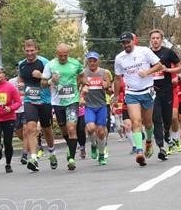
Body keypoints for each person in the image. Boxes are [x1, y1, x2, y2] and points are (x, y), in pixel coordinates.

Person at [114, 32, 164, 166]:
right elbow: (118, 78)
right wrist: (115, 95)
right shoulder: (119, 58)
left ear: (133, 41)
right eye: (123, 43)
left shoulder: (144, 51)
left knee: (148, 123)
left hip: (147, 91)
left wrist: (147, 72)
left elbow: (159, 65)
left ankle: (148, 141)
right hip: (131, 93)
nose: (126, 45)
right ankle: (139, 152)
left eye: (128, 42)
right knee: (136, 121)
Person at [43, 43, 84, 171]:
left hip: (72, 100)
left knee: (72, 128)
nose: (63, 58)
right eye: (60, 56)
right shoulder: (50, 65)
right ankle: (71, 145)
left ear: (68, 54)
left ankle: (71, 159)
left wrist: (81, 87)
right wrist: (51, 81)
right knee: (65, 130)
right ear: (56, 54)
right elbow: (43, 83)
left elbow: (82, 76)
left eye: (65, 56)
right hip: (57, 102)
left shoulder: (75, 63)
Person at [16, 39, 54, 171]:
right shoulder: (22, 64)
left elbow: (53, 80)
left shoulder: (45, 62)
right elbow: (21, 79)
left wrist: (41, 76)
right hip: (29, 100)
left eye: (32, 50)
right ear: (24, 50)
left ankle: (51, 151)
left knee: (47, 129)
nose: (29, 53)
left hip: (44, 100)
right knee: (30, 128)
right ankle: (33, 158)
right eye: (27, 51)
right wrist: (20, 84)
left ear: (36, 50)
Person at [149, 29, 181, 160]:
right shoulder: (147, 54)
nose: (155, 40)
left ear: (161, 40)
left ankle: (167, 133)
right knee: (156, 117)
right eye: (153, 38)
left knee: (167, 118)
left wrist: (167, 69)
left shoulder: (168, 53)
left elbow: (180, 67)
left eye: (157, 38)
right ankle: (161, 147)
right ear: (150, 40)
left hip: (167, 89)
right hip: (152, 90)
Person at [80, 51, 112, 165]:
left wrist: (107, 87)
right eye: (90, 61)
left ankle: (102, 155)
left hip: (101, 105)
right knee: (90, 128)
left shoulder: (104, 73)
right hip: (89, 106)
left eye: (94, 60)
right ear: (87, 61)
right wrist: (81, 96)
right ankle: (93, 145)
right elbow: (79, 87)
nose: (92, 63)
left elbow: (110, 91)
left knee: (101, 132)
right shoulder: (83, 73)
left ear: (98, 61)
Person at [8, 65, 28, 164]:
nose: (20, 71)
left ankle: (24, 154)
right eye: (18, 69)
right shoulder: (11, 82)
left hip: (26, 108)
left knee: (26, 132)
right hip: (15, 110)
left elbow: (35, 92)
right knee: (20, 134)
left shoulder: (29, 81)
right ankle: (30, 142)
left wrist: (25, 89)